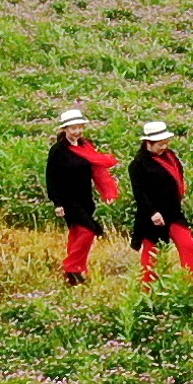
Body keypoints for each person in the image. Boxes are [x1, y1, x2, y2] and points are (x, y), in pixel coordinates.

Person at [45, 108, 119, 285]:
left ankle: (74, 274)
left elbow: (97, 170)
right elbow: (51, 177)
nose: (77, 131)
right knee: (89, 230)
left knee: (77, 234)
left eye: (79, 127)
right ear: (65, 129)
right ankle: (72, 266)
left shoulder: (86, 146)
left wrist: (107, 190)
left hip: (85, 198)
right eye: (73, 128)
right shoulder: (58, 150)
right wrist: (57, 202)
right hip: (68, 199)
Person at [129, 120, 193, 285]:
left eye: (165, 143)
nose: (164, 147)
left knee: (188, 245)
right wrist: (153, 213)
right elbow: (139, 194)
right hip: (152, 216)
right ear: (149, 142)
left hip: (173, 212)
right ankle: (148, 287)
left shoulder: (170, 156)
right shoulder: (138, 164)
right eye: (160, 144)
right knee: (151, 252)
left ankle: (191, 283)